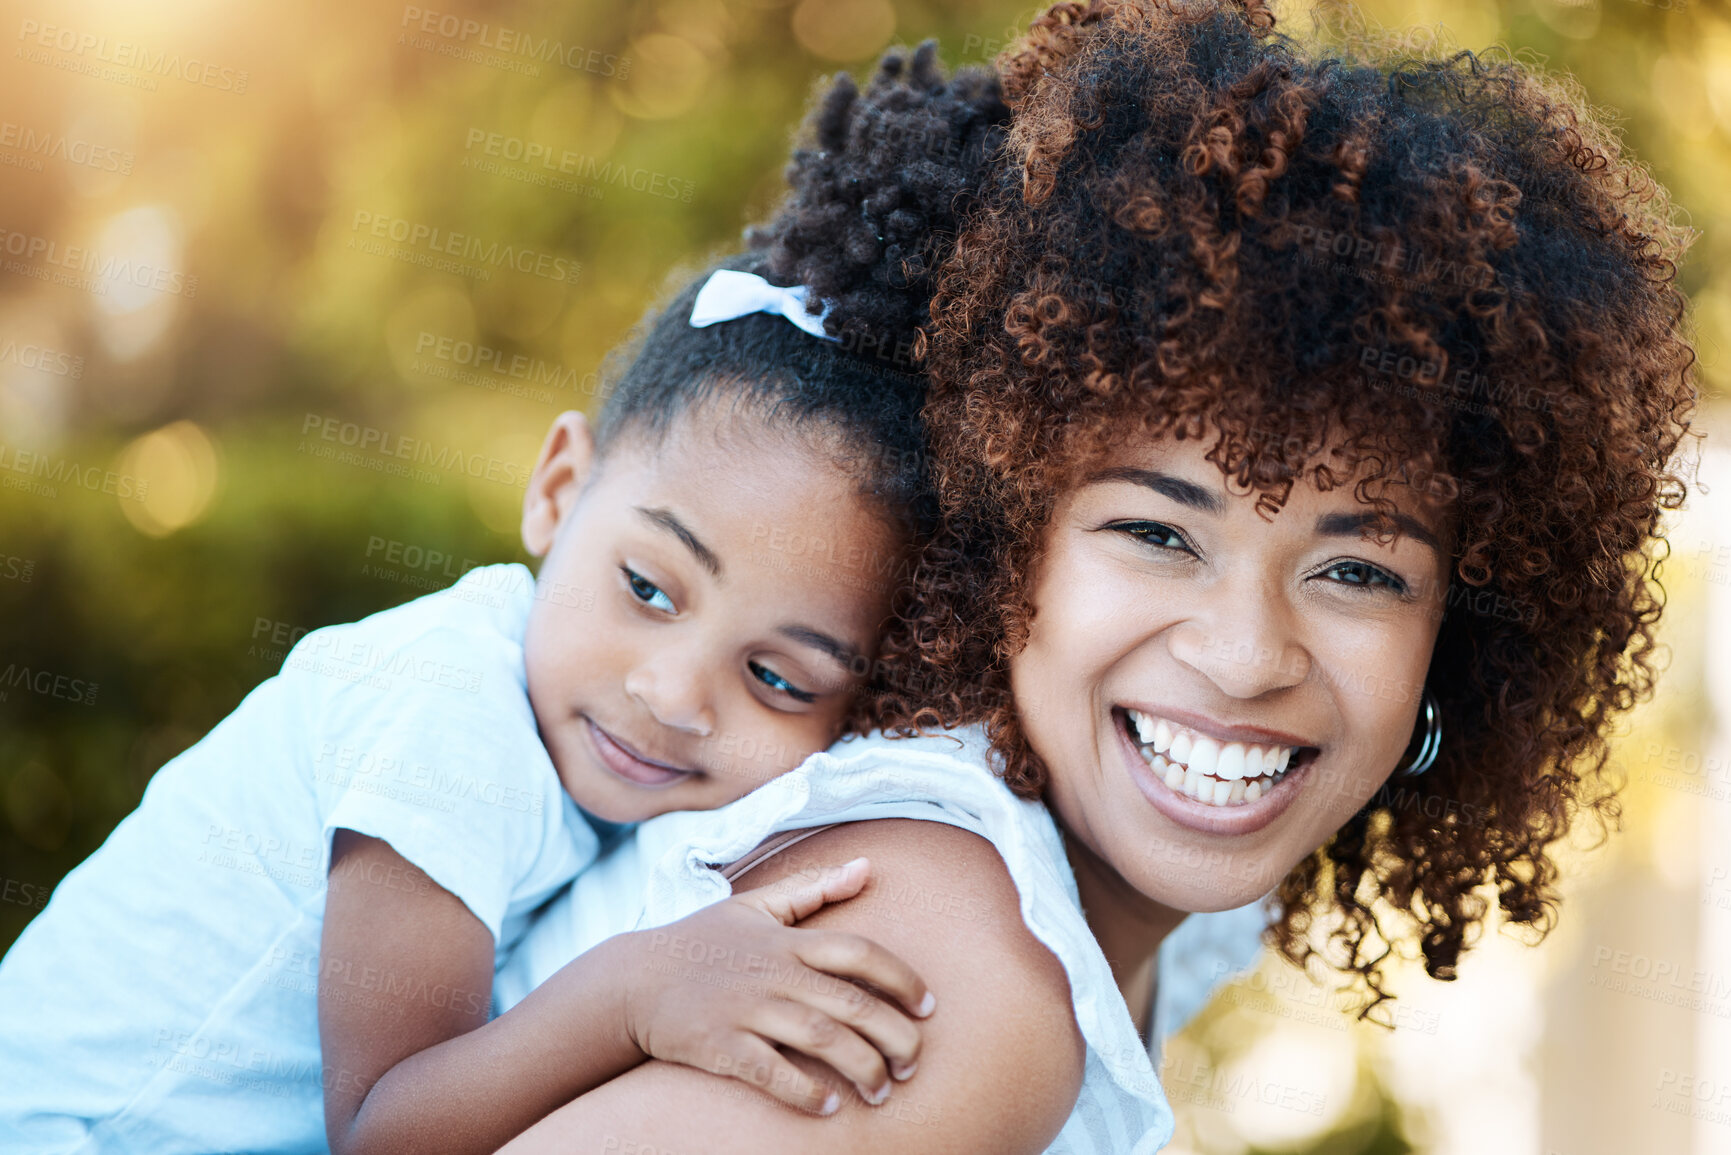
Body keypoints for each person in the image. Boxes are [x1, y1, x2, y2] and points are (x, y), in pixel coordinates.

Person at [494, 2, 1699, 1151]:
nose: (1242, 655)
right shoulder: (947, 973)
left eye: (1355, 570)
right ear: (999, 539)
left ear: (1462, 633)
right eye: (1159, 534)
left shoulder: (1165, 906)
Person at [0, 45, 1013, 1155]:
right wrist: (638, 993)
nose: (673, 693)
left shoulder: (597, 765)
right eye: (647, 588)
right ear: (557, 491)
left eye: (779, 677)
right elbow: (385, 1130)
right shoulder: (449, 710)